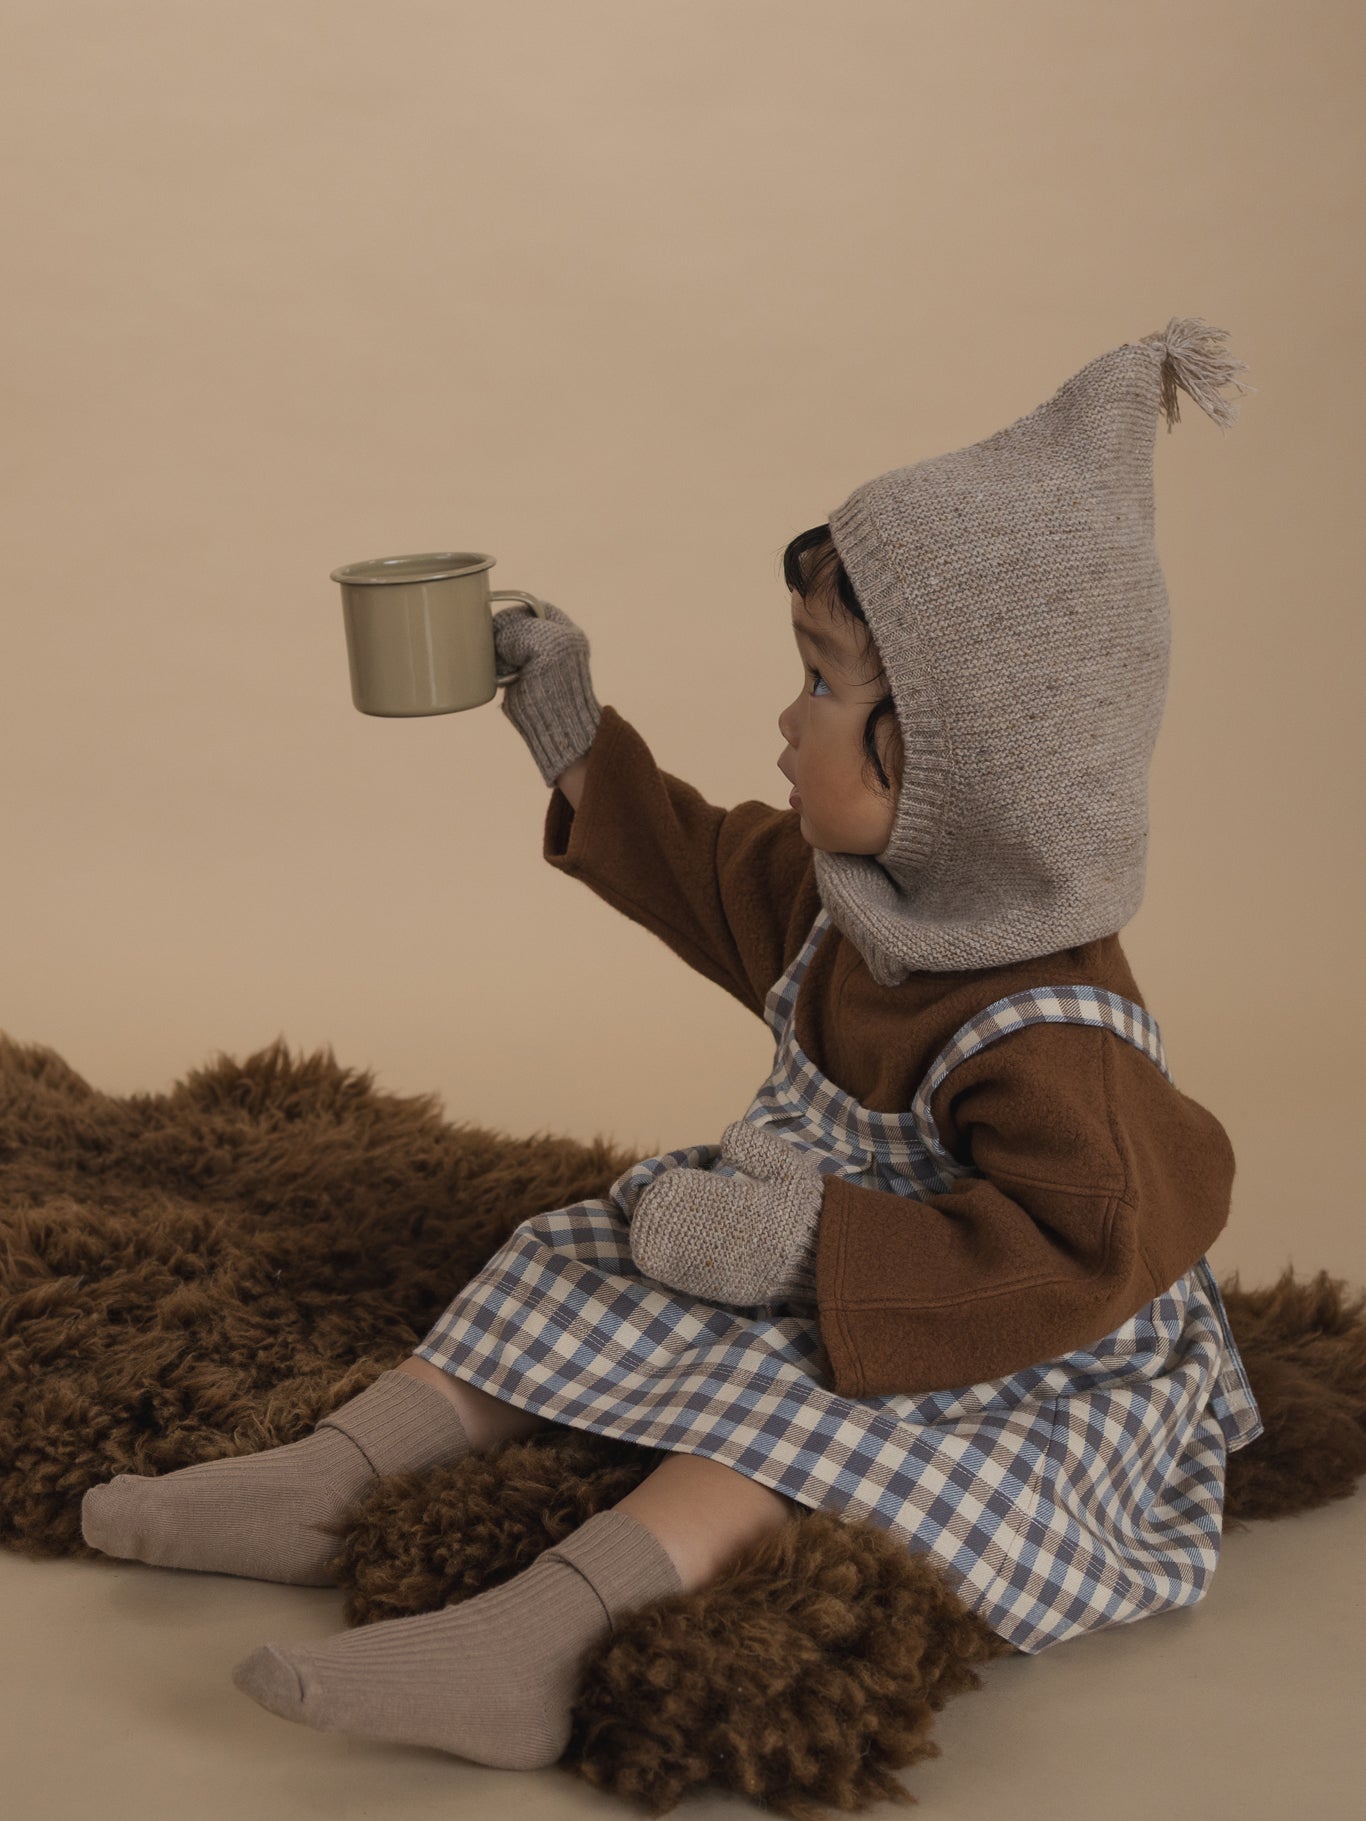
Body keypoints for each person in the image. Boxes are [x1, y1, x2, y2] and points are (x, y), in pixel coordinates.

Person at [82, 316, 1263, 1773]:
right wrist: (569, 727)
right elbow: (701, 865)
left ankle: (542, 1637)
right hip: (824, 1254)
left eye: (823, 687)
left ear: (959, 765)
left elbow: (1087, 1249)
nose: (785, 716)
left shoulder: (1051, 1032)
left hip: (1014, 1343)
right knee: (573, 1246)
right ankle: (330, 1478)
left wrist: (796, 1254)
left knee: (785, 1430)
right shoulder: (856, 905)